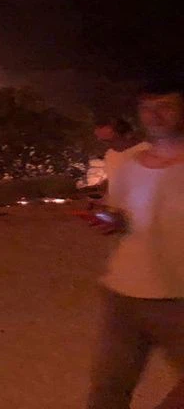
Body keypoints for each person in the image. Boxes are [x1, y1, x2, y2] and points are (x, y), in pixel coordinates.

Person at [88, 77, 184, 408]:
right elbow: (121, 218)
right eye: (147, 108)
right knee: (108, 394)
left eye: (166, 107)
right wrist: (106, 220)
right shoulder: (129, 165)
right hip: (125, 296)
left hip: (179, 298)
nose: (154, 116)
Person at [84, 118, 152, 197]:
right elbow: (113, 180)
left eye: (109, 141)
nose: (105, 145)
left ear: (128, 135)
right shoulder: (110, 154)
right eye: (101, 141)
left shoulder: (150, 152)